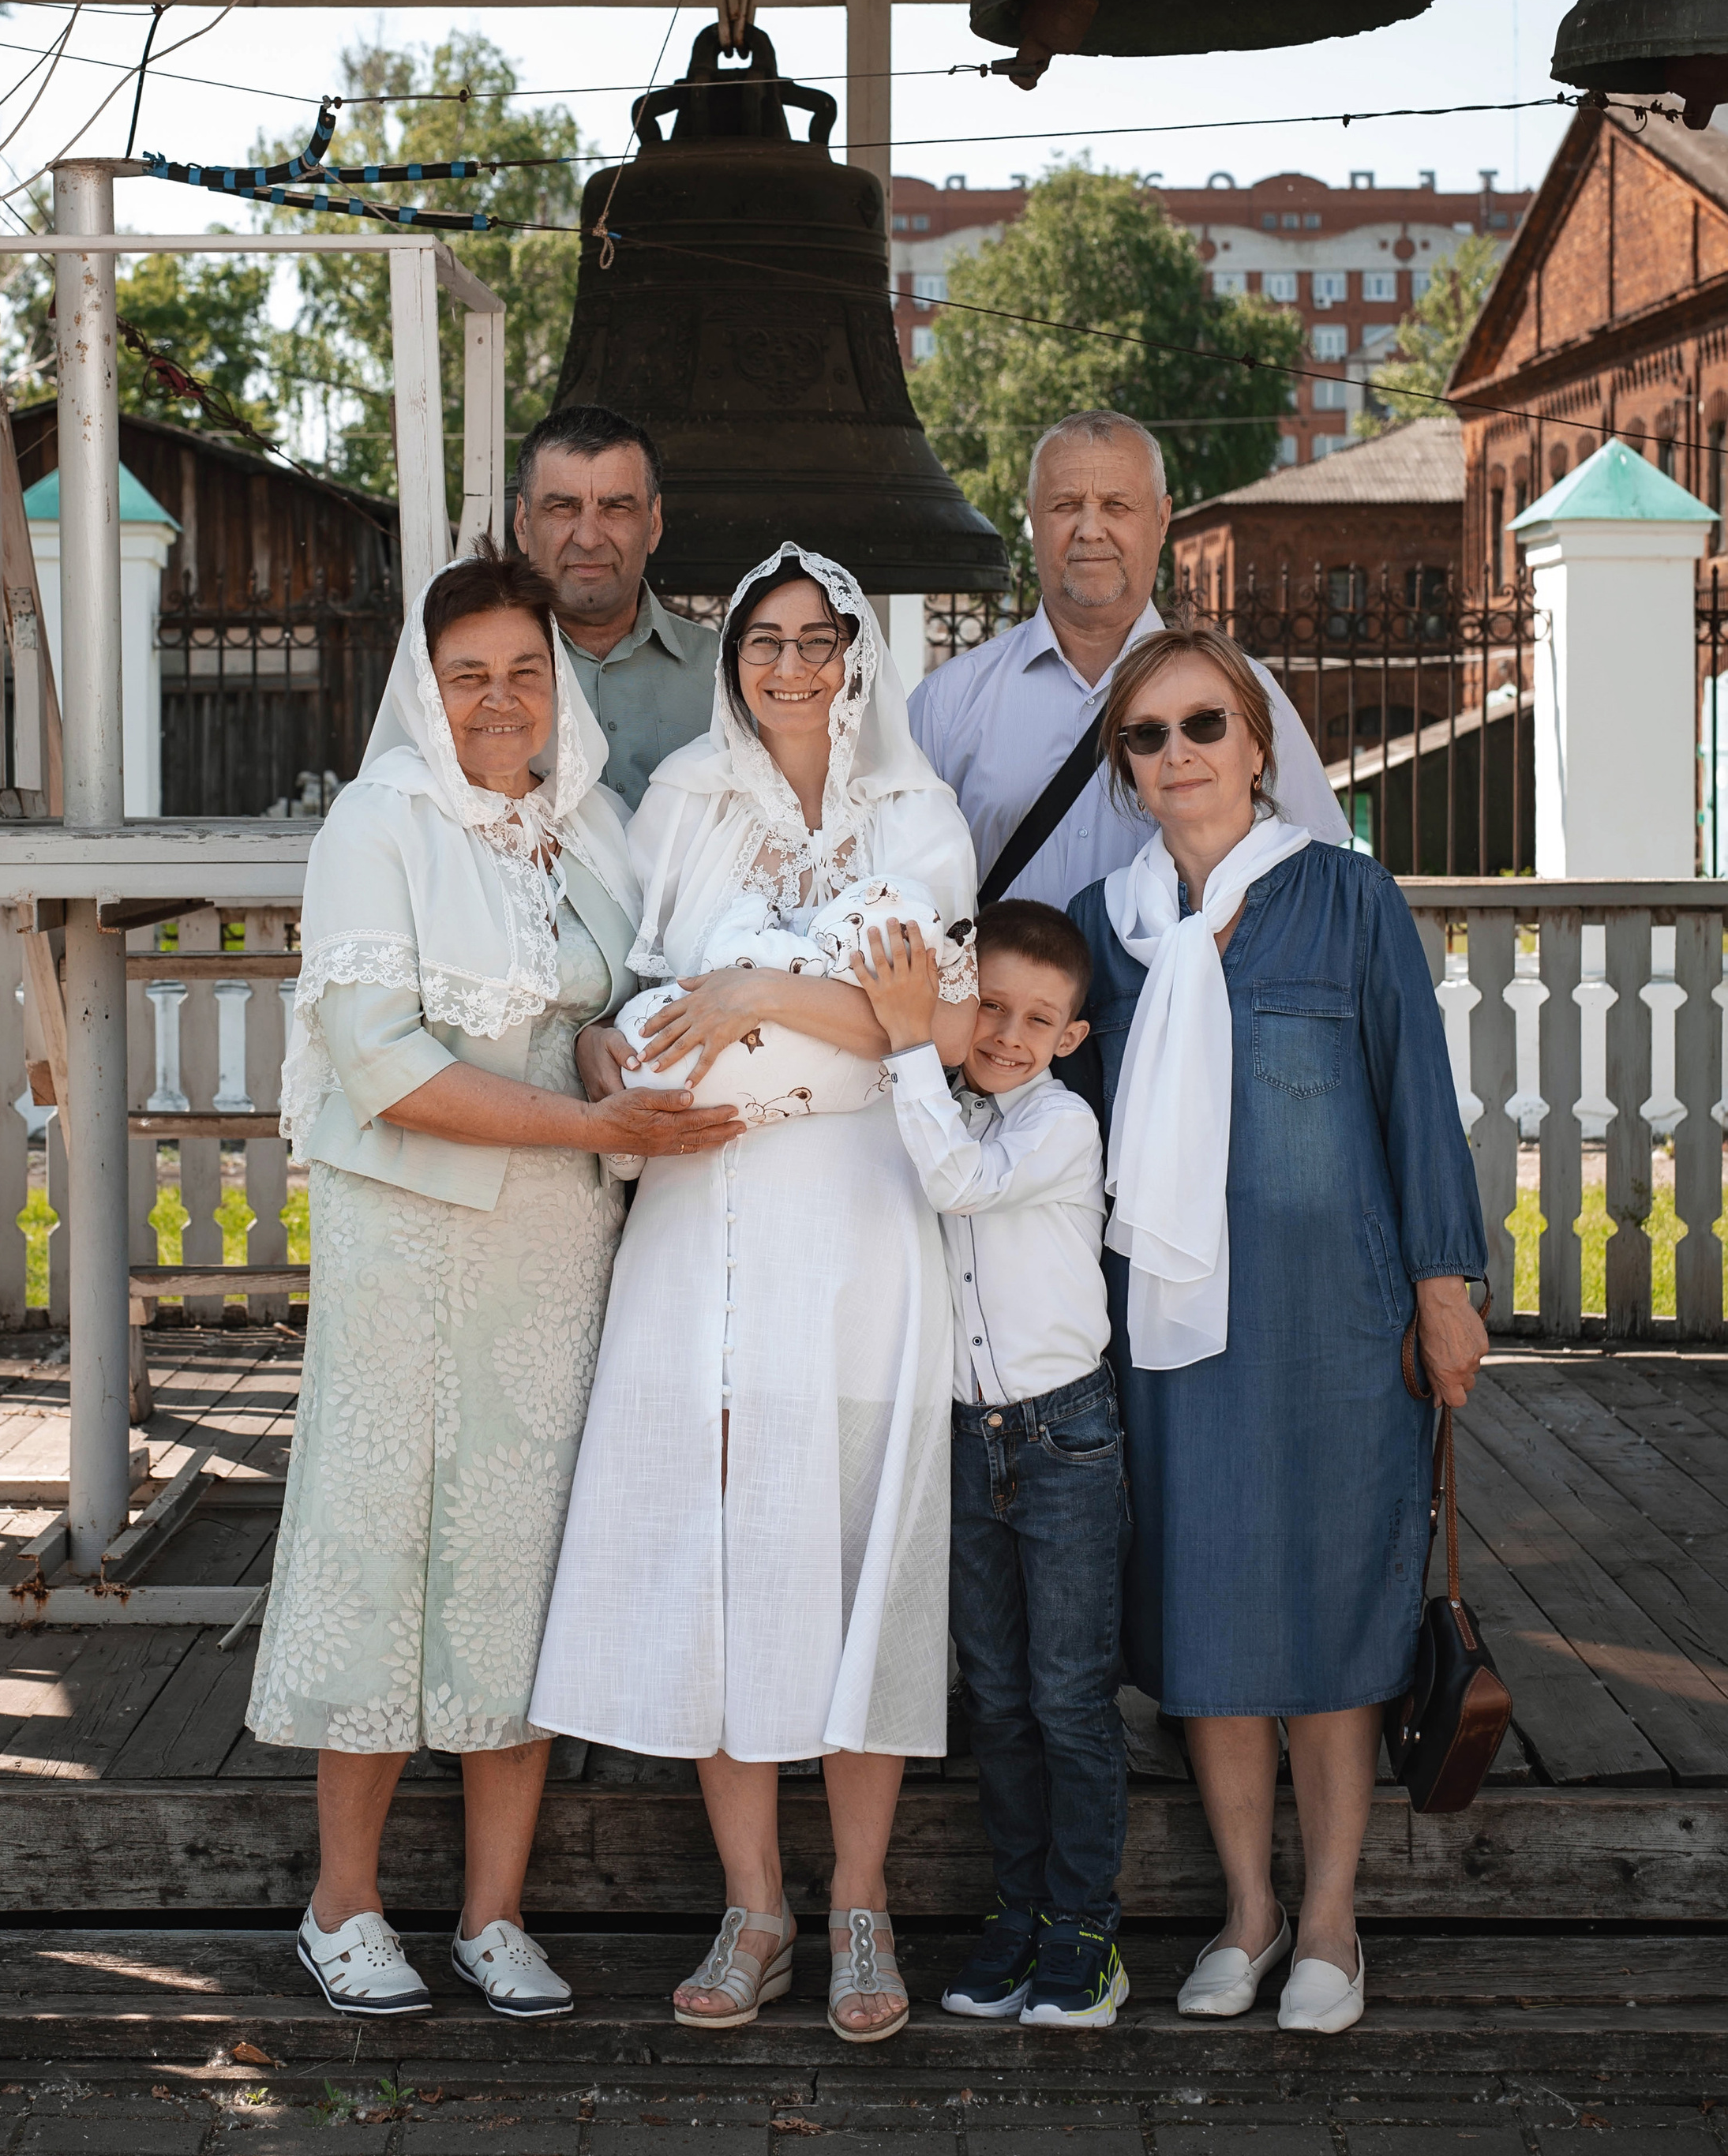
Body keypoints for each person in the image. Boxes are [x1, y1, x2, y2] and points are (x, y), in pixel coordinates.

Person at [250, 541, 741, 2026]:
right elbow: (384, 1063)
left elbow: (596, 1004)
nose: (502, 700)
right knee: (384, 1534)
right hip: (413, 1228)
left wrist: (606, 1064)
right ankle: (343, 1907)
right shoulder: (377, 824)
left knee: (521, 1551)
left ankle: (493, 1913)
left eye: (526, 670)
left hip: (555, 1238)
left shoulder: (583, 822)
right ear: (428, 683)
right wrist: (589, 1116)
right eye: (470, 676)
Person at [530, 545, 980, 2043]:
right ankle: (757, 1906)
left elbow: (928, 1020)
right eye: (761, 642)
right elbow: (624, 988)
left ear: (857, 652)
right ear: (732, 663)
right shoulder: (680, 805)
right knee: (718, 1543)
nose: (788, 666)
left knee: (850, 1545)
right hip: (701, 1209)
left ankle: (860, 1905)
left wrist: (755, 993)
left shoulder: (915, 816)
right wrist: (614, 1053)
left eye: (815, 639)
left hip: (856, 1211)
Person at [1066, 623, 1490, 2037]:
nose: (1179, 754)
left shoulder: (1349, 898)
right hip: (1174, 1336)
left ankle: (1330, 1921)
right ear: (1125, 772)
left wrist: (1445, 1288)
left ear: (1258, 745)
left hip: (1335, 1323)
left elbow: (1415, 1099)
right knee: (1209, 1613)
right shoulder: (1098, 929)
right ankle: (1246, 1909)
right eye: (1149, 736)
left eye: (1204, 726)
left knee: (1329, 1613)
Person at [855, 895, 1130, 2031]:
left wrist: (915, 1040)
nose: (1009, 1034)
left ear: (1071, 1035)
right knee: (1002, 1701)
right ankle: (1016, 1920)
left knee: (1069, 1699)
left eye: (1039, 1018)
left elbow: (958, 1183)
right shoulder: (944, 1107)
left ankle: (1085, 1930)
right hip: (971, 1441)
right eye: (994, 1010)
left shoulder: (1057, 1126)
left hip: (1064, 1439)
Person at [909, 409, 1349, 911]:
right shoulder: (945, 708)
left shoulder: (1245, 694)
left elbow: (1317, 886)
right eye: (1066, 505)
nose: (1090, 529)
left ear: (1161, 520)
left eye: (1117, 505)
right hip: (998, 992)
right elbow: (896, 890)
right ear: (1033, 518)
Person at [512, 402, 719, 808]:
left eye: (616, 508)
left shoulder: (730, 673)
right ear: (522, 523)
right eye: (562, 507)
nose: (588, 538)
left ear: (654, 523)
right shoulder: (479, 676)